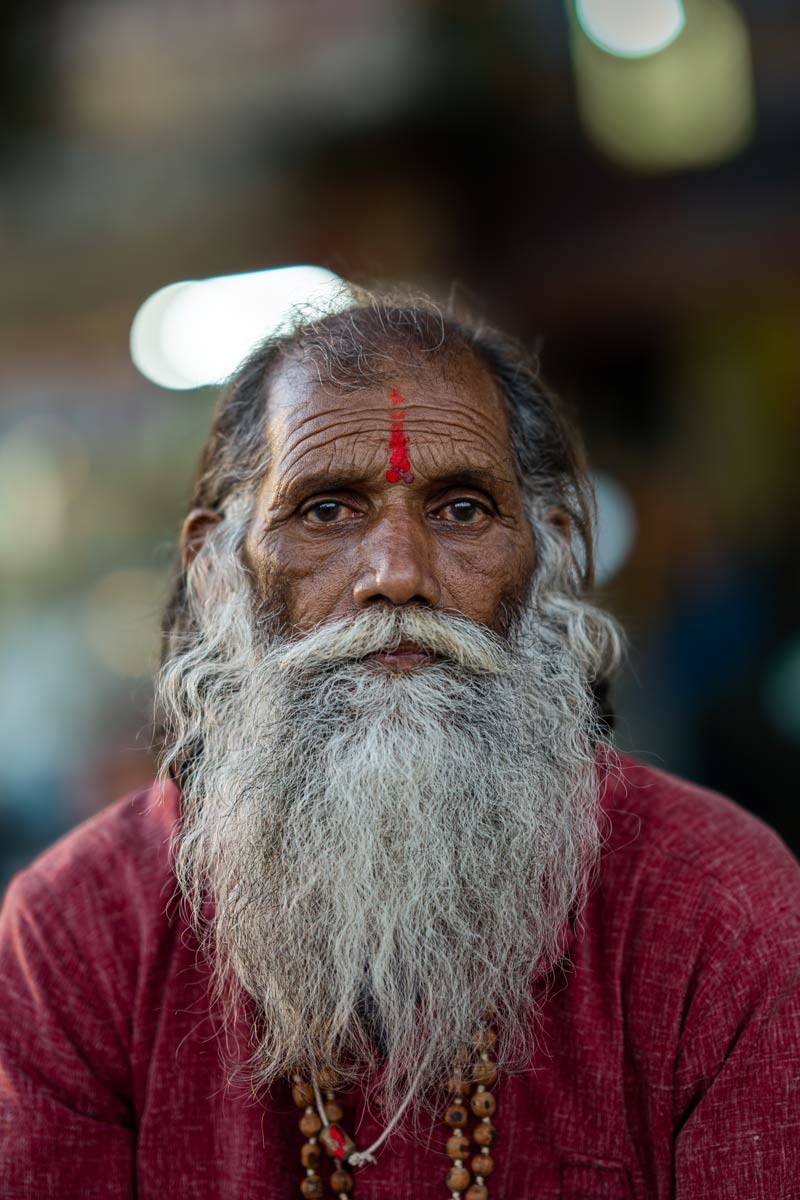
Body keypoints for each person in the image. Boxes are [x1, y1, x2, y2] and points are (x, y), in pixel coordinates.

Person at [1, 291, 798, 1200]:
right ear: (217, 572)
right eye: (327, 512)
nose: (397, 574)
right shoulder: (76, 938)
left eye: (461, 509)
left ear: (552, 554)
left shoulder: (720, 912)